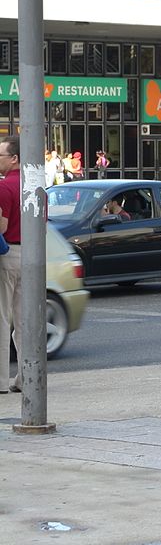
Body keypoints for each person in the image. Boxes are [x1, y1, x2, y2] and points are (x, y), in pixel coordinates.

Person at [0, 136, 22, 393]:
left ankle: (1, 381)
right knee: (26, 320)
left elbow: (2, 227)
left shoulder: (5, 187)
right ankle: (27, 376)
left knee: (2, 317)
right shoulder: (36, 184)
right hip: (33, 256)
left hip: (8, 254)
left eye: (1, 155)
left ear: (14, 158)